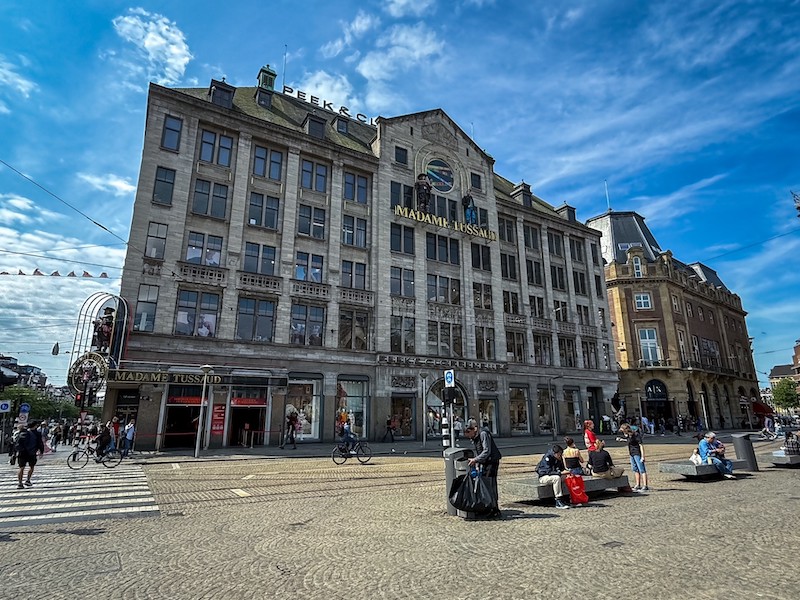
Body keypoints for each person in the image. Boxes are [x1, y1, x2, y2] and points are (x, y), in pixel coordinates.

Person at [464, 418, 502, 518]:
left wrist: (476, 460)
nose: (468, 435)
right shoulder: (475, 437)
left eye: (469, 432)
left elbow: (486, 450)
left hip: (491, 462)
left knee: (490, 484)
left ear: (474, 429)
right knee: (485, 484)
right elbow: (480, 450)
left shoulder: (483, 434)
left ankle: (494, 508)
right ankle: (488, 506)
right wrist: (477, 462)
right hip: (486, 462)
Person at [536, 444, 571, 509]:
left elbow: (562, 468)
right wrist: (560, 473)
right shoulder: (547, 457)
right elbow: (549, 472)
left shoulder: (559, 458)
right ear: (555, 454)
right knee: (556, 478)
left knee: (567, 477)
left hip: (554, 474)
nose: (561, 456)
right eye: (559, 454)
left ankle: (568, 497)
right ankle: (558, 500)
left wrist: (566, 472)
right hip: (544, 477)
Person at [618, 423, 649, 491]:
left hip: (637, 453)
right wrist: (622, 440)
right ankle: (637, 484)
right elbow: (629, 441)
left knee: (642, 470)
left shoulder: (636, 435)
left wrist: (642, 456)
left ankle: (645, 485)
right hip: (631, 454)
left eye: (623, 431)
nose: (623, 433)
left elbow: (641, 445)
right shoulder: (628, 435)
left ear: (626, 430)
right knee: (635, 469)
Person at [16, 421, 44, 489]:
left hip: (22, 452)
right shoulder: (37, 433)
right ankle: (28, 480)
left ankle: (20, 483)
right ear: (35, 426)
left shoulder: (22, 432)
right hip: (32, 452)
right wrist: (41, 451)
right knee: (31, 467)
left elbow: (17, 442)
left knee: (21, 467)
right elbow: (40, 443)